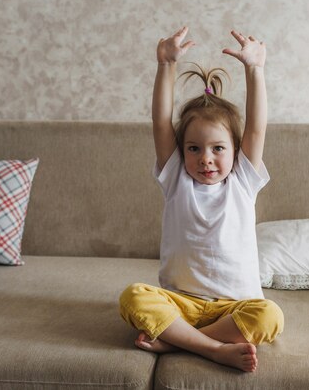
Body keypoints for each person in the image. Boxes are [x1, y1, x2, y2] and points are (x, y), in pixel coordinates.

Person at [119, 27, 283, 373]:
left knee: (270, 316)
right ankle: (212, 348)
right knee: (134, 296)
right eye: (194, 149)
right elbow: (161, 122)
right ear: (181, 152)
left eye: (218, 149)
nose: (205, 159)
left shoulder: (242, 180)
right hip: (180, 303)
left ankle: (178, 340)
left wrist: (255, 69)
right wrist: (166, 65)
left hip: (235, 307)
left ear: (236, 152)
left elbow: (256, 126)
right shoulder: (176, 178)